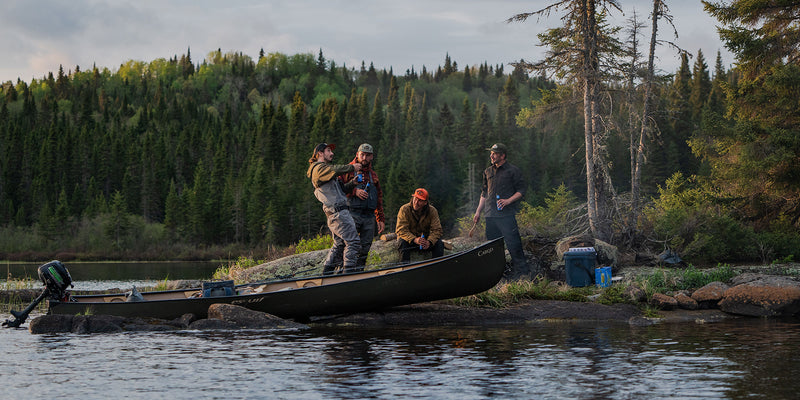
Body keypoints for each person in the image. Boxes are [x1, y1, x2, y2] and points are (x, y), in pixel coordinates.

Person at [472, 143, 531, 280]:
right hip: (490, 215)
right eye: (491, 153)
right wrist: (478, 212)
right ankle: (496, 275)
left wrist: (508, 201)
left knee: (513, 244)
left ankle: (523, 275)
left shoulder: (513, 171)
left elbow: (522, 190)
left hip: (506, 215)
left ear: (502, 155)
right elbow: (484, 193)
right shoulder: (487, 171)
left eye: (494, 153)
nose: (491, 156)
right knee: (491, 247)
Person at [306, 143, 362, 275]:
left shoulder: (322, 170)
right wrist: (352, 167)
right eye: (328, 150)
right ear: (320, 153)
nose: (332, 153)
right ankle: (347, 276)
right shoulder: (318, 168)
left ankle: (327, 275)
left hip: (336, 213)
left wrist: (352, 183)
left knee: (339, 245)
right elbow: (335, 170)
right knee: (353, 242)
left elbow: (340, 190)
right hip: (338, 213)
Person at [336, 143, 385, 271]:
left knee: (365, 248)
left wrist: (380, 219)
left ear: (371, 157)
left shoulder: (373, 175)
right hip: (351, 213)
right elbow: (338, 189)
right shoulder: (347, 170)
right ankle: (342, 273)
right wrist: (354, 191)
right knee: (347, 245)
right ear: (357, 154)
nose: (364, 157)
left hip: (369, 216)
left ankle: (359, 274)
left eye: (367, 155)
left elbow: (378, 198)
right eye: (362, 154)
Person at [395, 188, 444, 263]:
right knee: (402, 242)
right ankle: (404, 268)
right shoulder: (404, 209)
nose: (416, 202)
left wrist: (429, 242)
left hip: (425, 241)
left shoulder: (432, 211)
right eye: (415, 199)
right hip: (410, 241)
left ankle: (436, 267)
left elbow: (437, 230)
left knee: (439, 244)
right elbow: (401, 230)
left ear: (425, 202)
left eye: (420, 200)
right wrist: (414, 239)